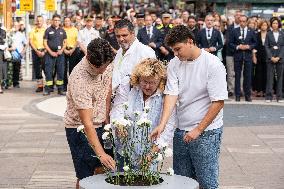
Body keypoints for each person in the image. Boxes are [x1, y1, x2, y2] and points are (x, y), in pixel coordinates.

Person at [150, 25, 228, 189]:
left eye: (178, 49)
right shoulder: (174, 63)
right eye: (173, 50)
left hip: (207, 132)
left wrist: (198, 130)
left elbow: (218, 102)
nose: (176, 54)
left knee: (207, 182)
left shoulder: (213, 64)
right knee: (182, 182)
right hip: (181, 131)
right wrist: (162, 125)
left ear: (190, 42)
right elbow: (171, 94)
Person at [64, 38, 116, 189]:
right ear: (89, 59)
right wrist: (100, 153)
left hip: (101, 124)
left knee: (102, 172)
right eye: (100, 68)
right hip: (79, 129)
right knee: (86, 177)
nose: (104, 70)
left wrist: (106, 118)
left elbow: (107, 88)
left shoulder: (107, 60)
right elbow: (87, 123)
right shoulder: (79, 79)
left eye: (107, 66)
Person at [111, 58, 176, 170]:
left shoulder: (166, 96)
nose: (147, 86)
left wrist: (151, 154)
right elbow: (117, 109)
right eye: (144, 81)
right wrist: (119, 125)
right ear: (138, 78)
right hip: (124, 151)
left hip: (150, 153)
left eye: (152, 83)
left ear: (160, 81)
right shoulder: (129, 86)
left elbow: (169, 127)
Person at [111, 19, 155, 115]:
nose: (121, 39)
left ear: (133, 33)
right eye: (118, 36)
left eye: (124, 35)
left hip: (137, 108)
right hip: (118, 104)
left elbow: (151, 83)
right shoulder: (120, 51)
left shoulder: (145, 51)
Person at [229, 15, 257, 102]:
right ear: (239, 21)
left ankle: (247, 95)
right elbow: (230, 43)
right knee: (237, 76)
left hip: (248, 56)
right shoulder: (234, 31)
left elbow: (255, 43)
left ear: (247, 22)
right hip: (238, 56)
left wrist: (249, 46)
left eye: (244, 21)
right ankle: (237, 95)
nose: (242, 23)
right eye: (241, 21)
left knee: (248, 76)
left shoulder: (251, 31)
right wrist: (238, 47)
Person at [43, 14, 67, 96]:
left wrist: (62, 50)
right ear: (52, 21)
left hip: (60, 54)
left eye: (58, 20)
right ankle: (48, 89)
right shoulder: (48, 30)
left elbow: (65, 42)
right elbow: (45, 43)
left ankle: (60, 89)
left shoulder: (62, 31)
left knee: (60, 71)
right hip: (50, 54)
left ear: (60, 21)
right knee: (48, 71)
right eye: (55, 20)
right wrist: (50, 52)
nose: (56, 22)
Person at [265, 17, 284, 103]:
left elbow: (283, 46)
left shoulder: (282, 33)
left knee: (280, 78)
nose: (275, 25)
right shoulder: (268, 34)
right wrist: (271, 57)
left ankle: (279, 96)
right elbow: (266, 46)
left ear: (278, 24)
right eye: (273, 23)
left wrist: (279, 57)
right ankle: (269, 96)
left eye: (276, 23)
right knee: (270, 78)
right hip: (270, 59)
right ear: (271, 25)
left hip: (280, 59)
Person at [225, 10, 242, 97]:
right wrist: (236, 47)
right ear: (234, 17)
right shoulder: (230, 27)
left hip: (241, 53)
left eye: (240, 16)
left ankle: (240, 89)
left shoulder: (243, 28)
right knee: (231, 72)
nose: (238, 17)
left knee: (240, 72)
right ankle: (231, 89)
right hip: (230, 53)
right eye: (237, 15)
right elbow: (228, 41)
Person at [29, 15, 46, 93]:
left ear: (43, 21)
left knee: (46, 69)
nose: (39, 22)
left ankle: (49, 85)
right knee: (37, 69)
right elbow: (31, 42)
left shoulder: (46, 30)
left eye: (40, 20)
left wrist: (44, 51)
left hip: (45, 51)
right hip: (35, 51)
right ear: (36, 21)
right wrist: (37, 51)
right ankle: (40, 86)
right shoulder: (33, 30)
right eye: (38, 20)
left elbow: (48, 41)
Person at [63, 16, 79, 91]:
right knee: (63, 68)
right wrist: (64, 49)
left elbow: (77, 40)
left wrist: (72, 50)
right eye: (65, 21)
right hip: (64, 50)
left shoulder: (75, 30)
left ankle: (72, 85)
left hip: (73, 50)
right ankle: (64, 85)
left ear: (70, 22)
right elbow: (60, 40)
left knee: (72, 68)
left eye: (68, 21)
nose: (67, 22)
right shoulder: (62, 30)